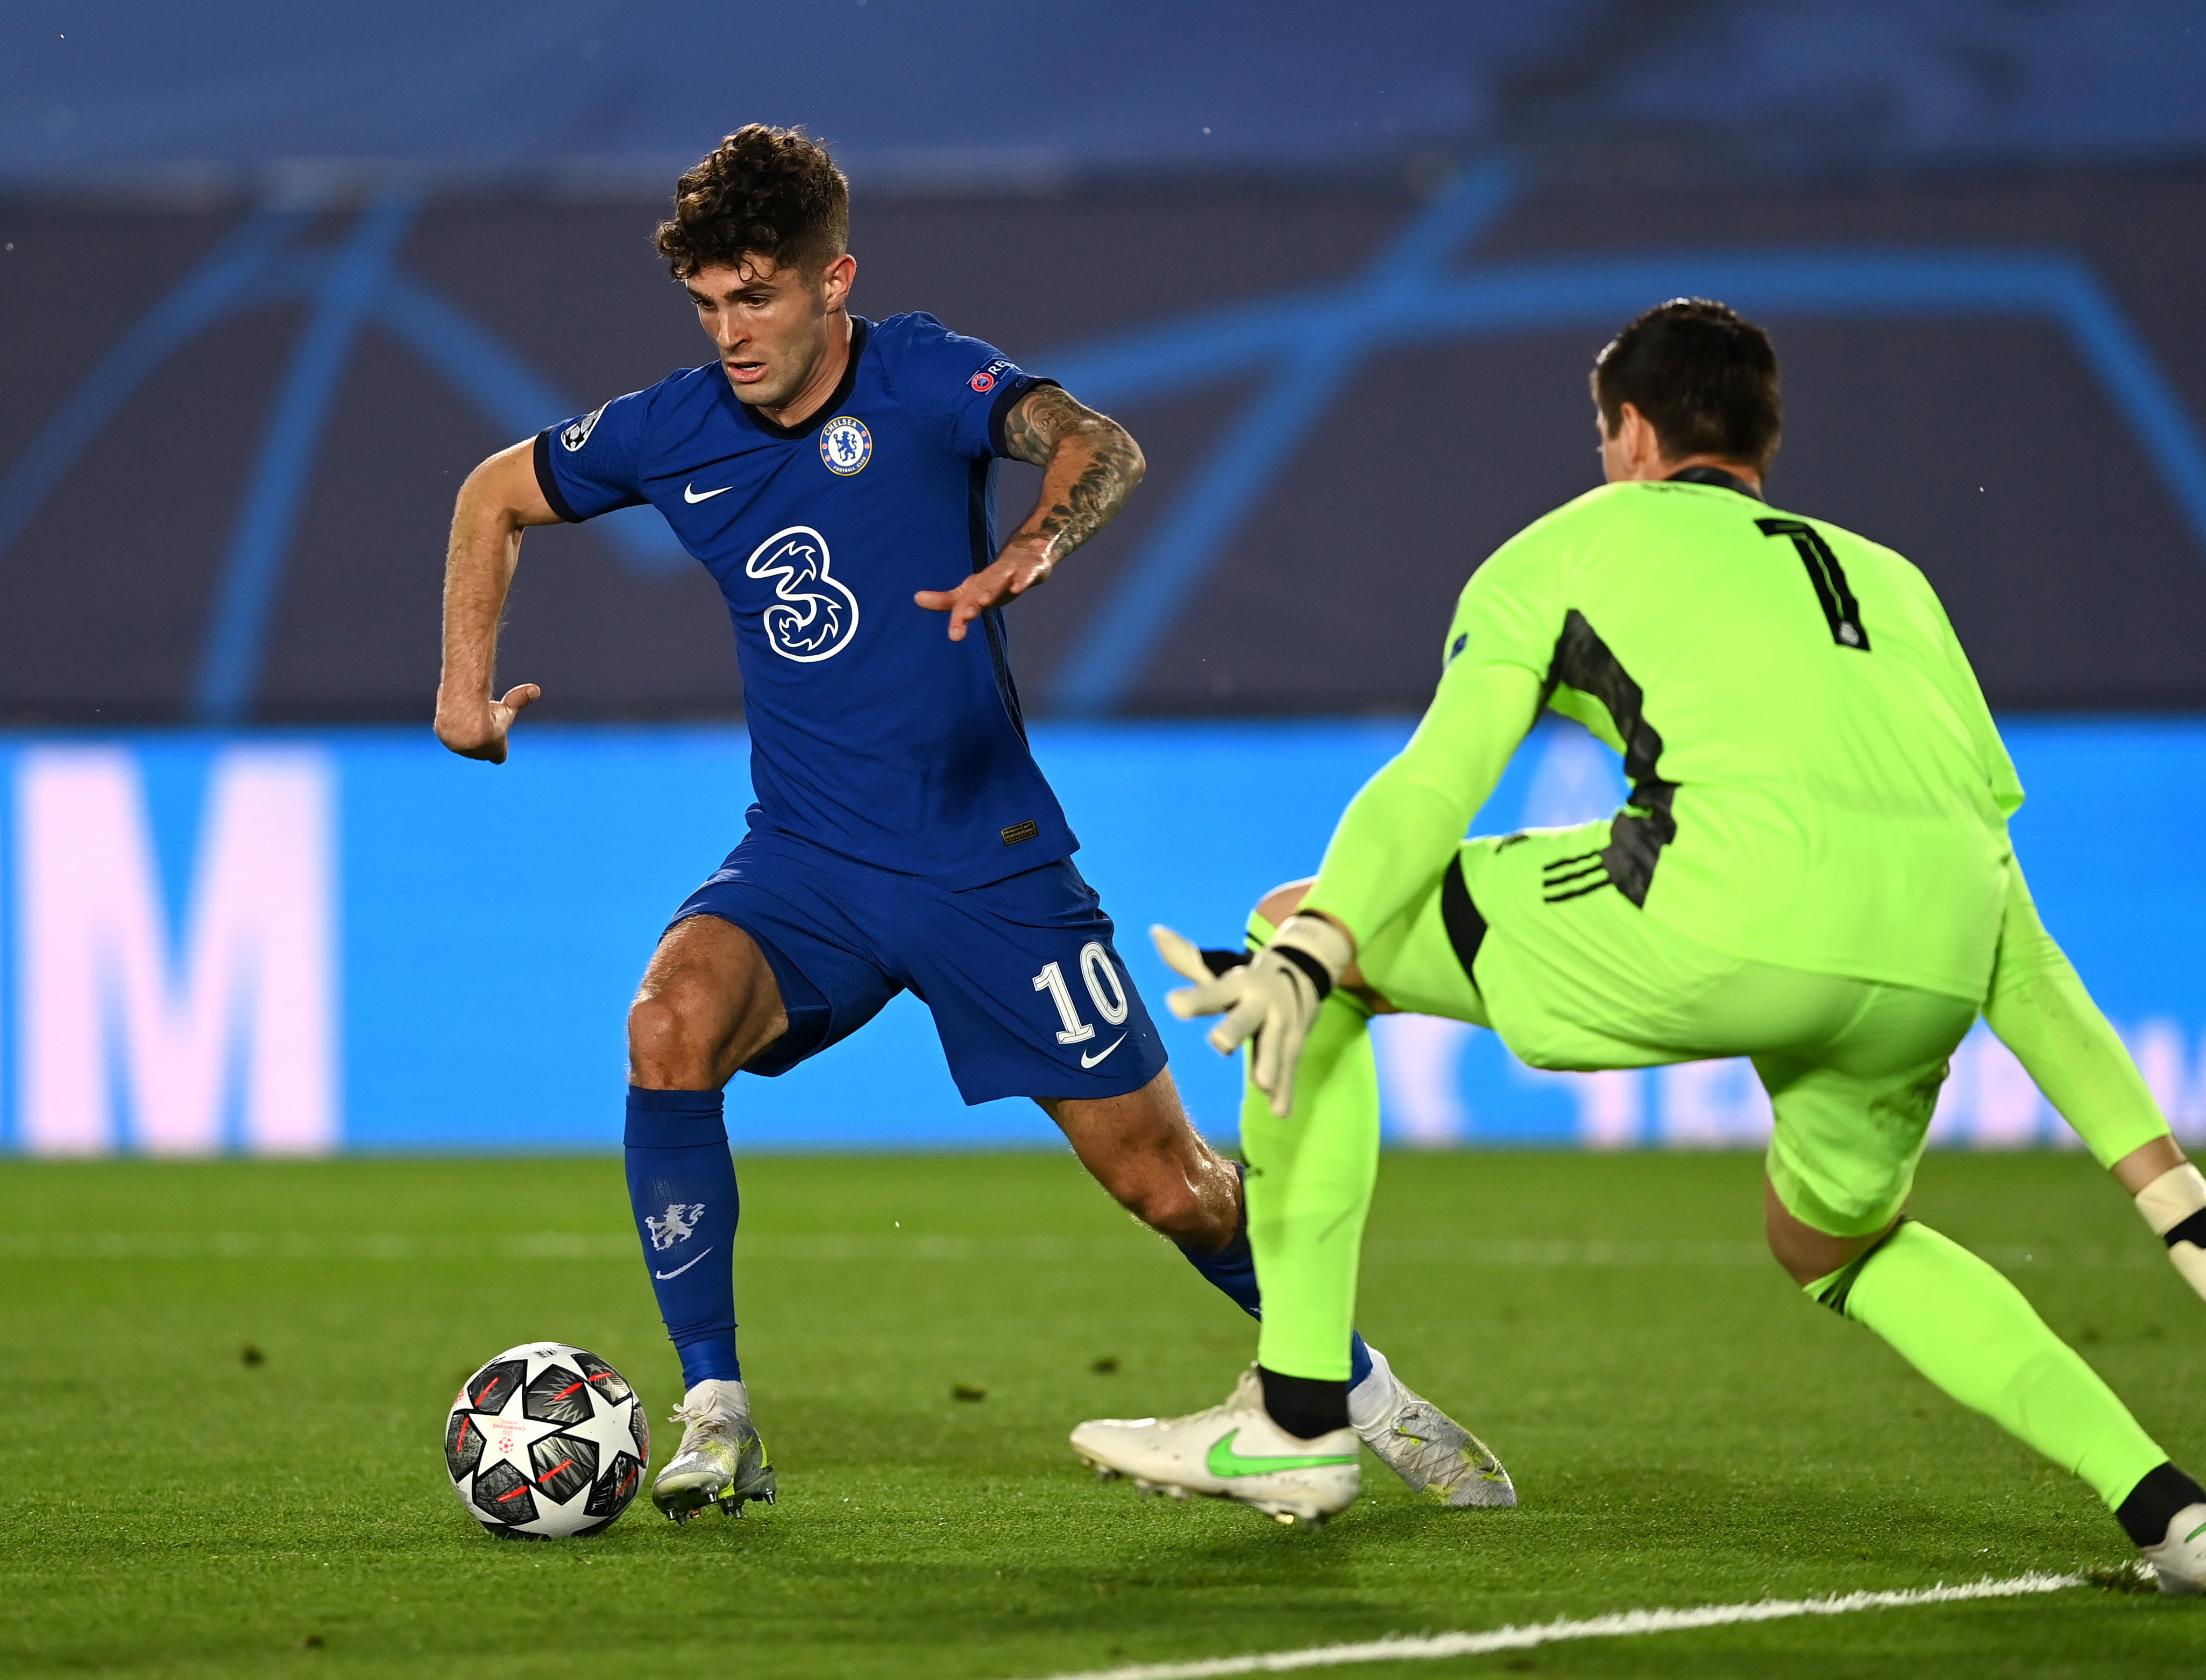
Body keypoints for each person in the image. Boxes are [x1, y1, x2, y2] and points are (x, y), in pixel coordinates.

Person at [1069, 299, 2206, 1582]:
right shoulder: (1896, 586)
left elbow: (1439, 774)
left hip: (1721, 907)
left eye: (1605, 438)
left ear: (1631, 432)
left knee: (1299, 929)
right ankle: (2171, 1506)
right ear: (1759, 439)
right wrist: (2187, 1212)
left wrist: (1317, 947)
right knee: (1839, 1243)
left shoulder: (1570, 544)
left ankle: (1301, 1417)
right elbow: (2013, 935)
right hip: (1930, 957)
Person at [433, 125, 1510, 1522]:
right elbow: (492, 491)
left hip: (983, 866)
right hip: (805, 861)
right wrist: (463, 689)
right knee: (666, 1019)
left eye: (755, 297)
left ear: (835, 280)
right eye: (706, 304)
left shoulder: (925, 374)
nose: (730, 333)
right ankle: (716, 1408)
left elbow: (1092, 443)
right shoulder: (672, 427)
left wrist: (1031, 546)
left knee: (1172, 1186)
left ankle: (1349, 1384)